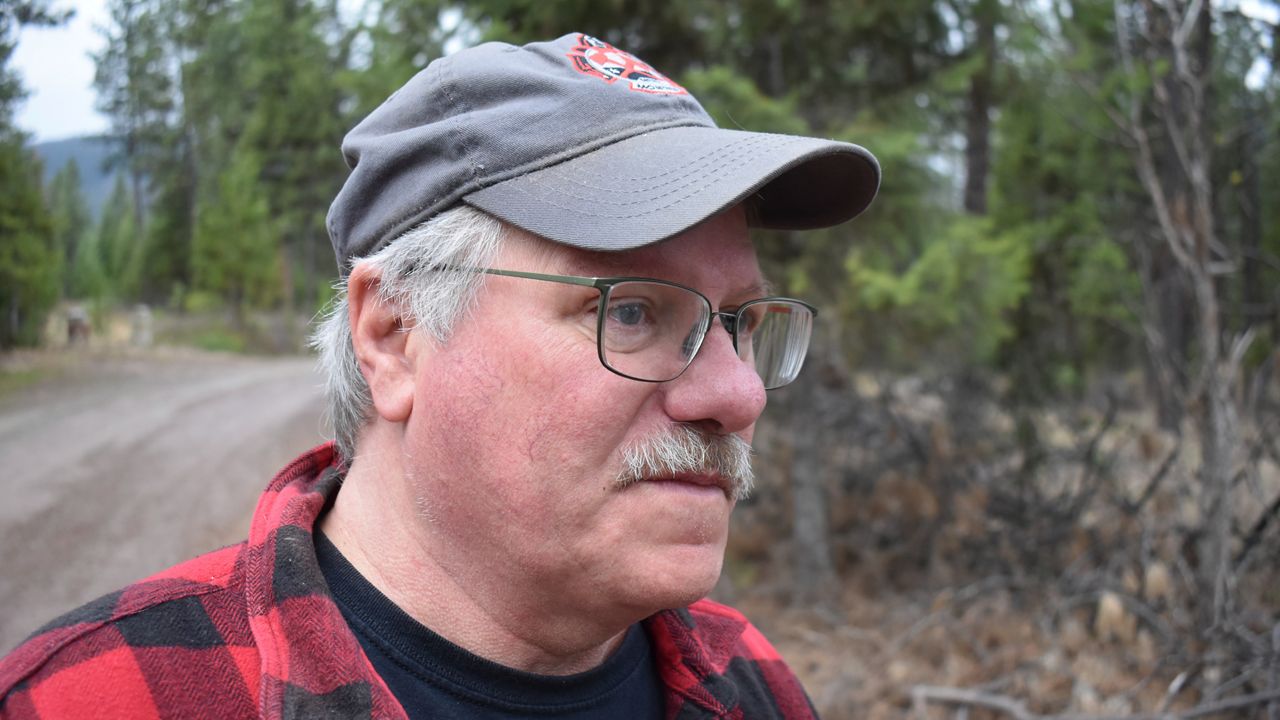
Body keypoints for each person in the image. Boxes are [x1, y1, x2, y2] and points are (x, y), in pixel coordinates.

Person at [0, 33, 878, 719]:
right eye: (633, 312)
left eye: (738, 323)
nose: (738, 394)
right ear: (392, 335)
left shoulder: (748, 681)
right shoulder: (100, 698)